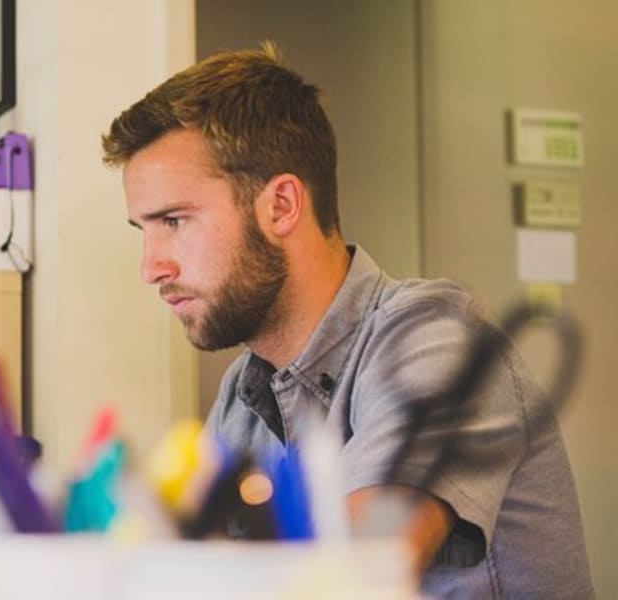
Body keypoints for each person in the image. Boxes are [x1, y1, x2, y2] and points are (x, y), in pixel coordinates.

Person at [102, 43, 593, 598]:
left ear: (282, 205)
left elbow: (359, 572)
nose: (151, 267)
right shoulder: (243, 396)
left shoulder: (435, 339)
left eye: (173, 220)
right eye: (142, 230)